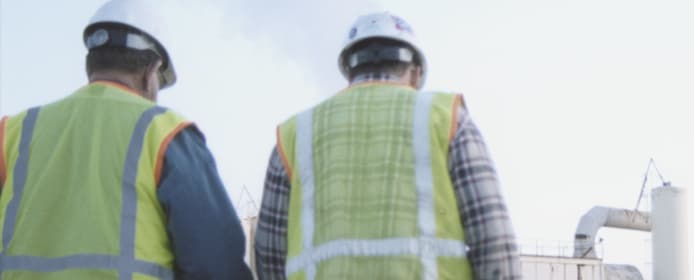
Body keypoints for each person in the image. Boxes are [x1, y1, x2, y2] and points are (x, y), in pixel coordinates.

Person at [254, 11, 521, 280]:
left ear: (349, 70)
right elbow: (495, 242)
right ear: (415, 73)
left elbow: (269, 253)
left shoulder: (295, 134)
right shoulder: (446, 118)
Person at [0, 0, 252, 279]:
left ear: (91, 64)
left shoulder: (14, 133)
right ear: (150, 72)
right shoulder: (166, 132)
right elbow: (216, 262)